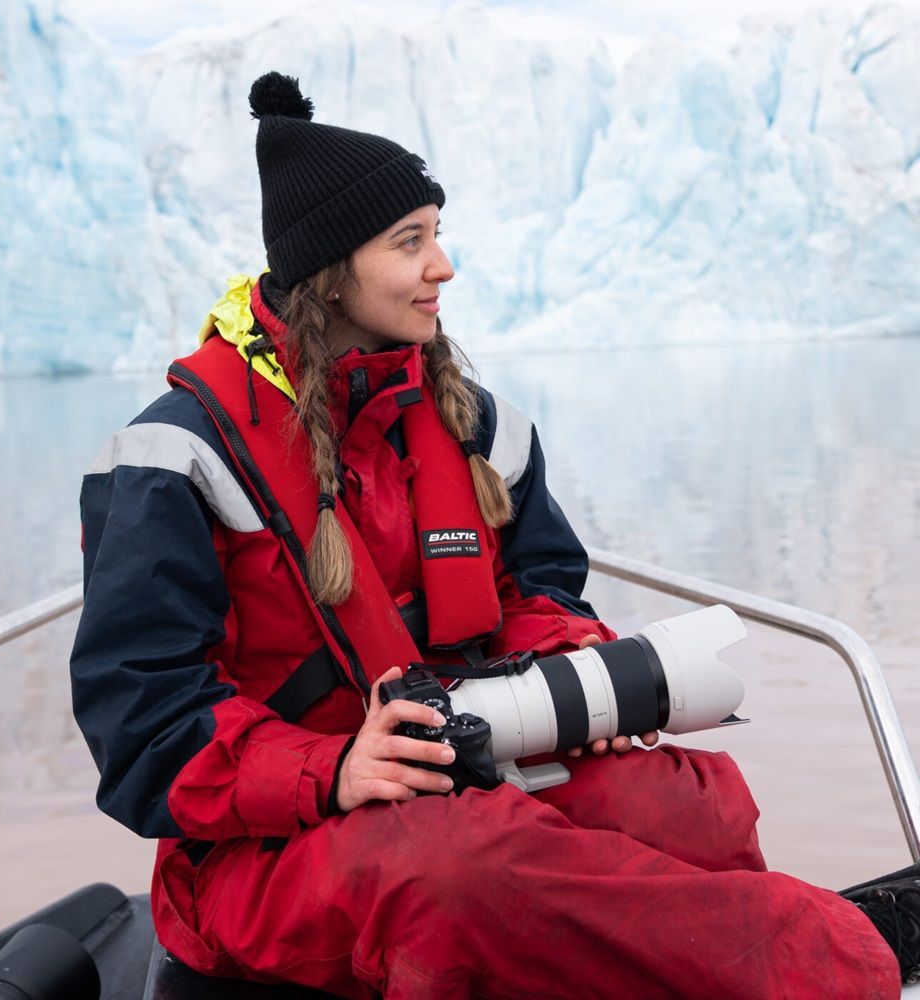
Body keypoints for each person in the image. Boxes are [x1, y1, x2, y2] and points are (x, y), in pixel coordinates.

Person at [70, 71, 918, 999]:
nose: (444, 267)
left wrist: (579, 688)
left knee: (686, 804)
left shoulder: (466, 423)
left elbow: (541, 590)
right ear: (331, 270)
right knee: (467, 870)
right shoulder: (176, 457)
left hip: (470, 762)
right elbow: (142, 725)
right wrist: (333, 768)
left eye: (438, 235)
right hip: (264, 845)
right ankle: (853, 958)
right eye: (411, 242)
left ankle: (801, 960)